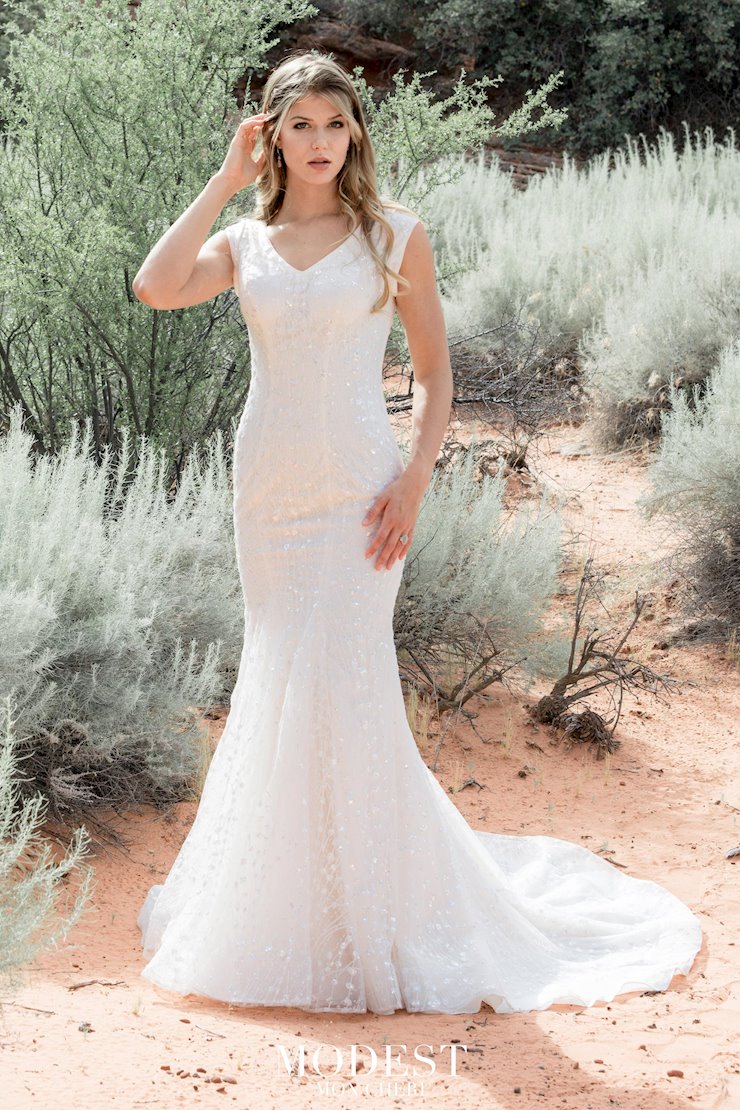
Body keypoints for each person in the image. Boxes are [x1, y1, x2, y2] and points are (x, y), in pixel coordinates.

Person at [133, 51, 702, 1015]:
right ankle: (290, 913)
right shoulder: (246, 242)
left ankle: (379, 914)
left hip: (363, 491)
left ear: (356, 132)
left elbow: (436, 375)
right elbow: (154, 286)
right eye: (300, 124)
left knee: (344, 683)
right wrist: (226, 180)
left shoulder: (394, 233)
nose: (320, 141)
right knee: (280, 677)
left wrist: (414, 482)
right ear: (272, 136)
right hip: (269, 490)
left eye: (335, 123)